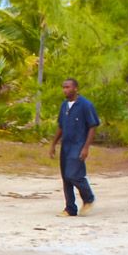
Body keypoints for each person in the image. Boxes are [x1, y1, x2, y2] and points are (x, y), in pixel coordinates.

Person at [49, 77, 100, 217]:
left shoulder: (85, 105)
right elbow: (61, 126)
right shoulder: (64, 106)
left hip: (79, 145)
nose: (65, 90)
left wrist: (86, 147)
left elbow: (92, 126)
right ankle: (70, 208)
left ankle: (88, 198)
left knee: (74, 175)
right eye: (63, 87)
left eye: (68, 87)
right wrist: (53, 144)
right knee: (66, 177)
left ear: (75, 88)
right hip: (66, 145)